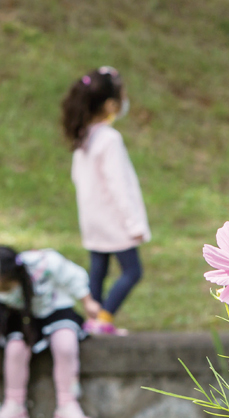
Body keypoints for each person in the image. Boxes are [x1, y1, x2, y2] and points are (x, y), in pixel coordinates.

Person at [0, 246, 100, 418]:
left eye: (6, 287)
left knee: (65, 344)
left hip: (56, 310)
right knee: (15, 349)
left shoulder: (43, 264)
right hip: (23, 320)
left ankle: (68, 406)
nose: (3, 293)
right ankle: (14, 407)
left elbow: (71, 275)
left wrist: (87, 300)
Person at [61, 66, 150, 336]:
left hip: (92, 220)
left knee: (97, 272)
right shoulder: (109, 139)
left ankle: (92, 319)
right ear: (111, 105)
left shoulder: (84, 136)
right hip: (115, 221)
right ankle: (103, 318)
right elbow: (119, 186)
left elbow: (77, 178)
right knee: (132, 271)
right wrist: (133, 224)